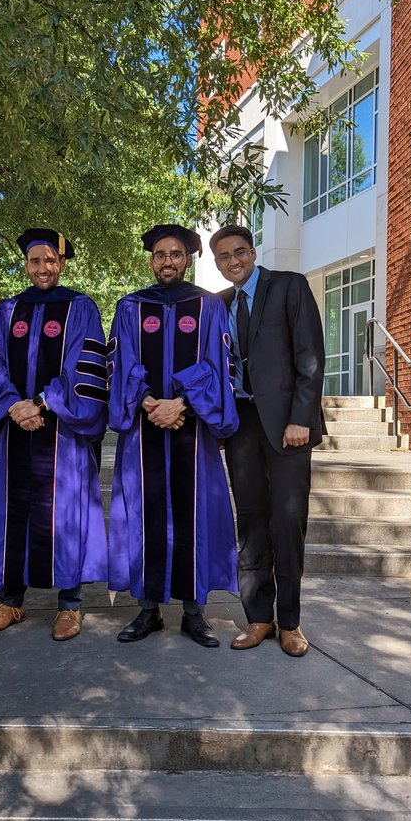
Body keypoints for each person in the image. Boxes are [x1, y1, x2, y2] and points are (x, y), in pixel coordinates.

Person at [107, 224, 239, 648]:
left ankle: (194, 614)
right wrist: (148, 403)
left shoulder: (209, 307)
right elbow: (120, 363)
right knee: (145, 518)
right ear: (151, 260)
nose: (167, 261)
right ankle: (148, 611)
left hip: (192, 431)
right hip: (143, 434)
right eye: (160, 254)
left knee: (192, 515)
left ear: (188, 259)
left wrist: (180, 404)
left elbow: (220, 364)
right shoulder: (130, 307)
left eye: (176, 254)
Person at [0, 227, 109, 641]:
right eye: (35, 261)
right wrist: (13, 405)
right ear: (26, 265)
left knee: (65, 514)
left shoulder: (80, 307)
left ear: (63, 263)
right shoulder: (8, 310)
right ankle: (10, 601)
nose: (43, 268)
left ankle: (70, 606)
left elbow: (84, 365)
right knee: (15, 515)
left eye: (51, 260)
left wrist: (42, 403)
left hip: (62, 433)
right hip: (18, 432)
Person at [211, 224, 326, 658]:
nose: (233, 261)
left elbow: (310, 356)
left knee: (287, 521)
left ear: (253, 252)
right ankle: (258, 617)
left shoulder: (289, 286)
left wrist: (302, 418)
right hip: (240, 425)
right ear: (217, 262)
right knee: (252, 522)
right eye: (223, 256)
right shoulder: (218, 304)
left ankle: (291, 623)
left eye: (239, 252)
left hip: (286, 428)